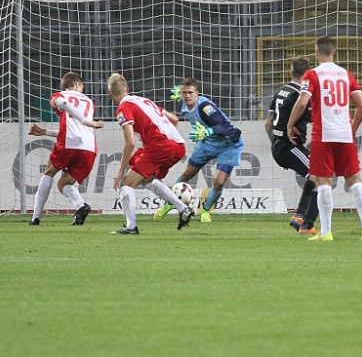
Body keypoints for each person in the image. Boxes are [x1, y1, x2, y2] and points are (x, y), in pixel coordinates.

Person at [285, 36, 362, 241]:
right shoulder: (346, 74)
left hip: (323, 135)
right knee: (355, 180)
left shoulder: (312, 74)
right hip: (344, 134)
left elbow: (302, 102)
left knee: (324, 182)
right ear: (335, 51)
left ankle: (326, 232)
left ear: (316, 53)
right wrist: (352, 129)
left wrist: (290, 124)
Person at [108, 73, 194, 235]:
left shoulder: (123, 108)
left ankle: (131, 227)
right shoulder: (145, 101)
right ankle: (183, 209)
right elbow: (174, 119)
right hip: (178, 145)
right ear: (127, 89)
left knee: (126, 185)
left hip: (159, 145)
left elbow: (130, 142)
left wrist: (120, 170)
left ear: (110, 94)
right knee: (147, 179)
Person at [154, 77, 244, 223]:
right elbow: (185, 98)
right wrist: (181, 95)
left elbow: (223, 126)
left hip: (228, 144)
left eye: (190, 93)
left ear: (197, 94)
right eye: (184, 93)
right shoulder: (184, 104)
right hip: (206, 143)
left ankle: (205, 211)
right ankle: (171, 203)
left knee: (219, 182)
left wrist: (208, 131)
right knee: (186, 174)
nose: (187, 96)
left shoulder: (206, 107)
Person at [27, 73, 104, 226]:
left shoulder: (59, 96)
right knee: (64, 184)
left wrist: (85, 121)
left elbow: (63, 102)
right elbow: (74, 129)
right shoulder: (89, 102)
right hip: (89, 149)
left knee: (49, 172)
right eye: (82, 86)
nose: (82, 89)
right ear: (77, 85)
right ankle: (81, 206)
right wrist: (46, 132)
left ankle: (36, 217)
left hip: (68, 145)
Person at [264, 57, 319, 235]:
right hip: (290, 147)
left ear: (290, 73)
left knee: (315, 176)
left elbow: (268, 123)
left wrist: (276, 147)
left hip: (279, 146)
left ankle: (300, 217)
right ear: (308, 74)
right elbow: (313, 118)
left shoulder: (282, 91)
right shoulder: (301, 96)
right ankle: (305, 223)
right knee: (319, 176)